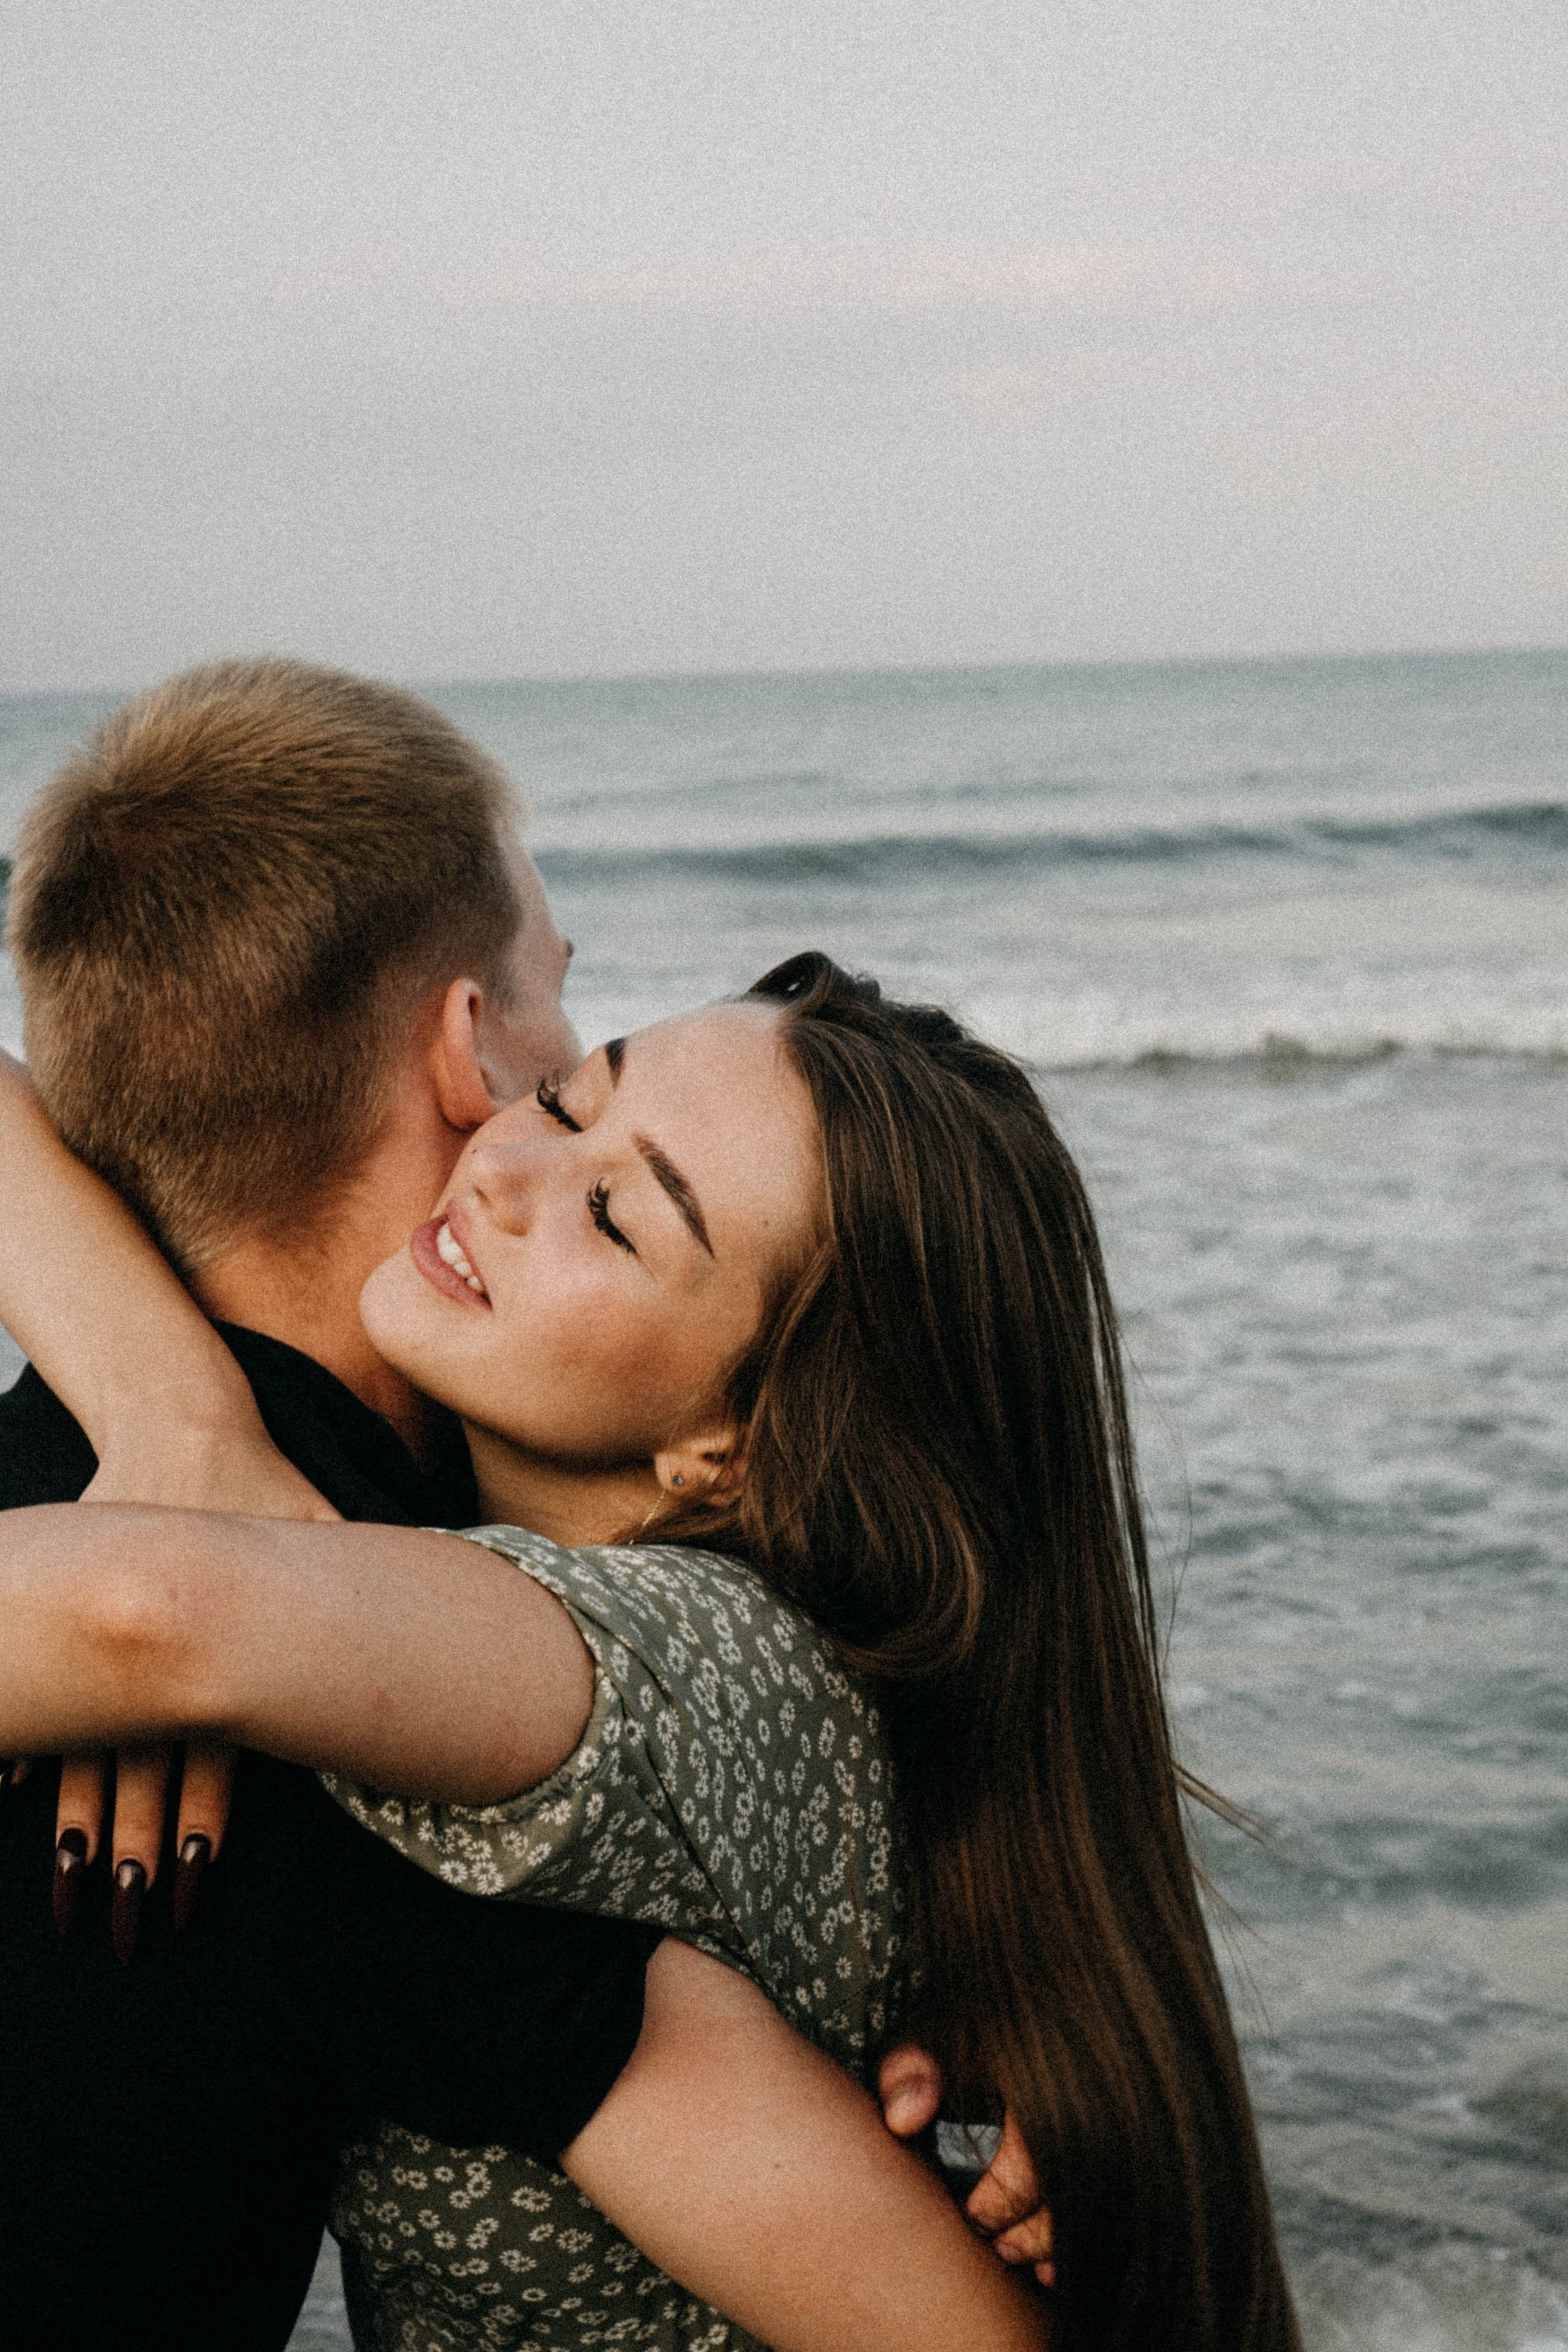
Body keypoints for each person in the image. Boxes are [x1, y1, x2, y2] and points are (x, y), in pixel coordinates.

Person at [0, 946, 1301, 2350]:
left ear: (728, 1449)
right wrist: (173, 1397)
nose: (504, 1176)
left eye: (616, 1218)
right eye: (564, 1100)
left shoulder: (677, 1656)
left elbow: (144, 1615)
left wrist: (189, 1502)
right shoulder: (760, 1659)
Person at [0, 664, 1044, 2350]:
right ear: (469, 1048)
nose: (517, 1150)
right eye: (571, 1055)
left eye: (625, 1205)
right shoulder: (344, 1647)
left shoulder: (374, 1646)